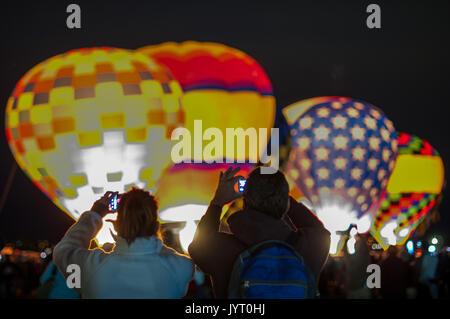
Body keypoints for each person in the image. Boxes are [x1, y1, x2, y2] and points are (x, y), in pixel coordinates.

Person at [188, 166, 331, 298]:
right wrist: (279, 194)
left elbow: (197, 246)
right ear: (286, 204)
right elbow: (320, 230)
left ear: (246, 202)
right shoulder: (309, 247)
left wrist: (218, 202)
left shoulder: (222, 249)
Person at [53, 188, 194, 298]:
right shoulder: (181, 268)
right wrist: (143, 239)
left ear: (115, 226)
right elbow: (162, 255)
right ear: (156, 227)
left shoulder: (91, 268)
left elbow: (64, 250)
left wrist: (95, 214)